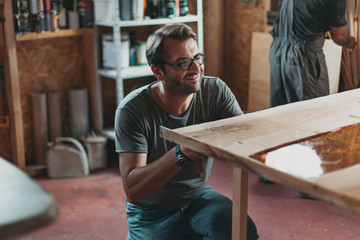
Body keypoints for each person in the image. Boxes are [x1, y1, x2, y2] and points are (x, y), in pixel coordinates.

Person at [114, 23, 259, 240]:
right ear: (158, 71)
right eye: (183, 62)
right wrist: (181, 153)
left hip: (196, 198)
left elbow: (245, 137)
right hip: (150, 212)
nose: (196, 68)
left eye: (197, 57)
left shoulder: (215, 91)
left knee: (241, 230)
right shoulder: (132, 110)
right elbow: (133, 188)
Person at [270, 0, 357, 107]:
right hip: (304, 60)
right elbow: (340, 37)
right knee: (314, 112)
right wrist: (351, 42)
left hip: (277, 55)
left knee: (280, 113)